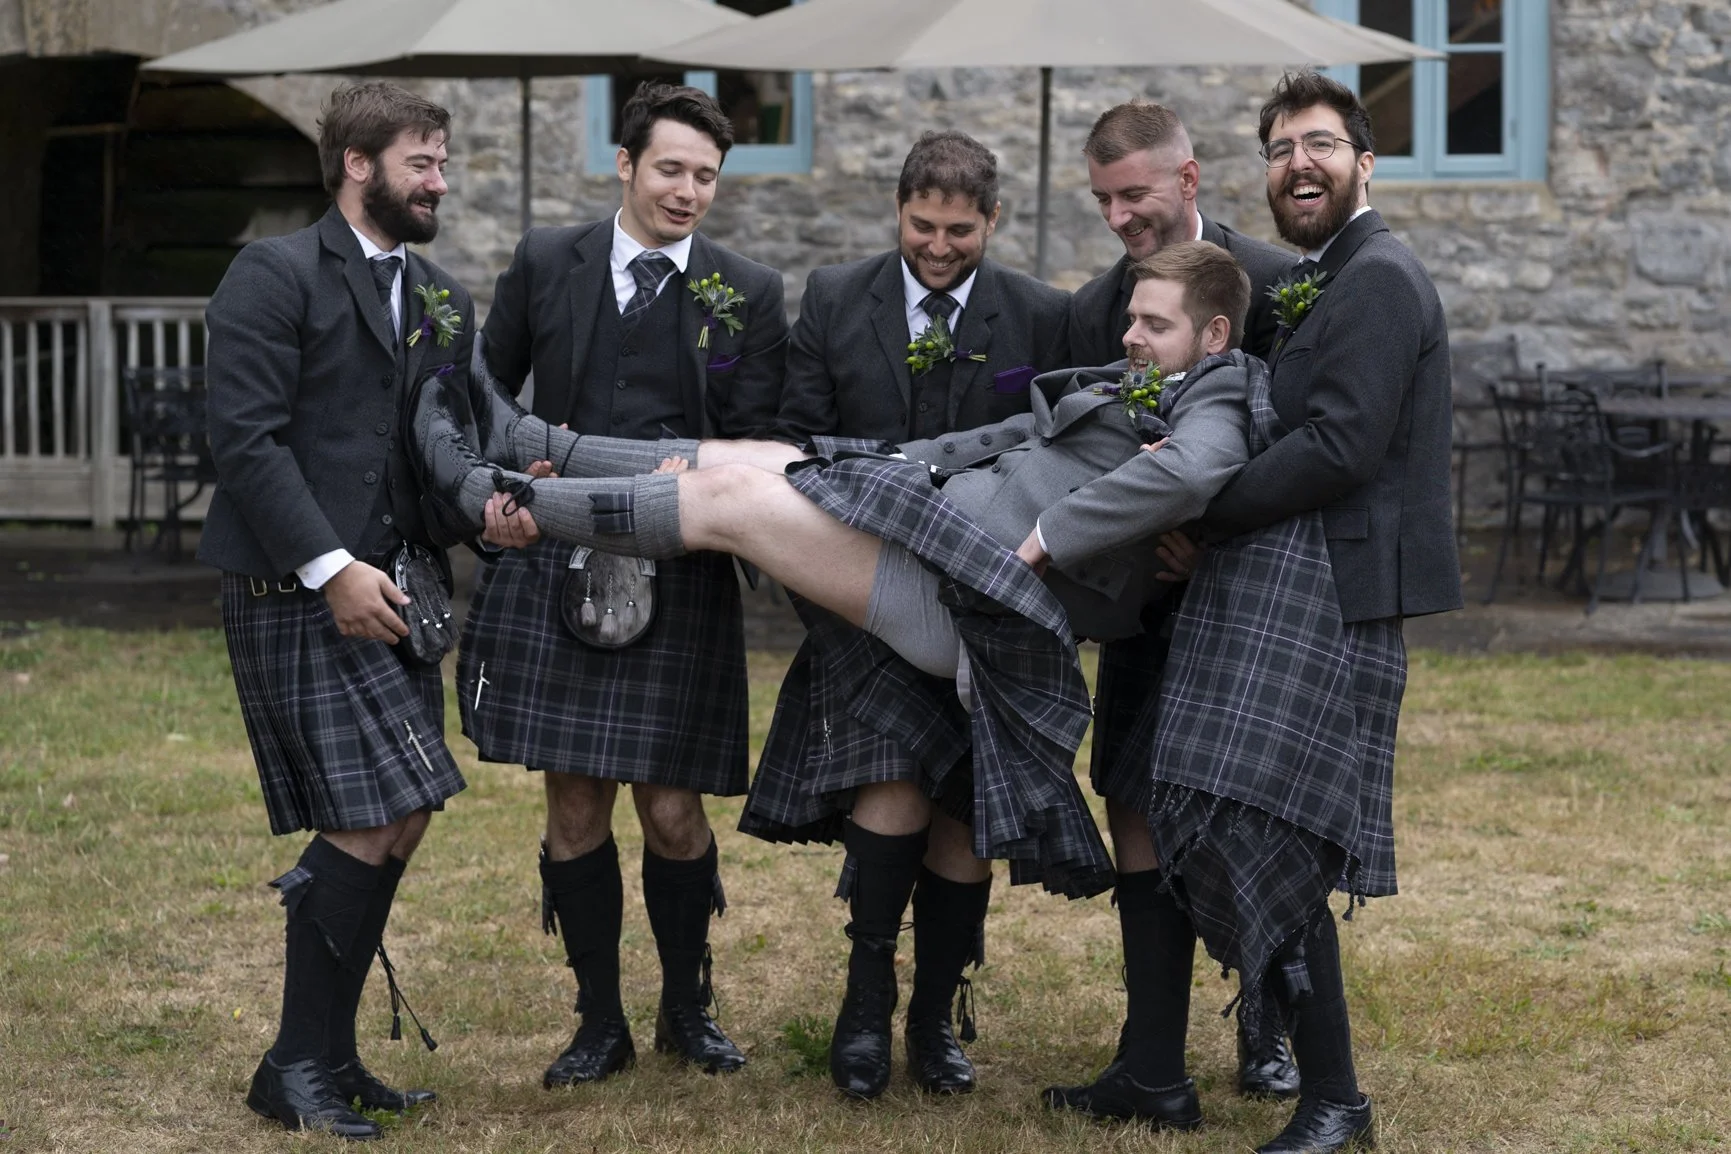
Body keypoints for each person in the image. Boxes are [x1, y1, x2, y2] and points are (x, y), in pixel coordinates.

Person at [1099, 72, 1460, 1154]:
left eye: (1319, 144)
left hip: (1338, 597)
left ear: (1364, 160)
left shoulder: (1382, 277)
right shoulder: (1322, 278)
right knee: (1235, 810)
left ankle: (1335, 1096)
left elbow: (1342, 445)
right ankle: (1196, 1064)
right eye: (1279, 148)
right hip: (1291, 590)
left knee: (1281, 827)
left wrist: (1201, 512)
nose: (1298, 164)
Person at [456, 81, 789, 1087]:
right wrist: (508, 474)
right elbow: (481, 391)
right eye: (671, 170)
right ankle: (598, 1017)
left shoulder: (749, 289)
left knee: (676, 811)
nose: (689, 192)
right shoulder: (546, 260)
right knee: (572, 807)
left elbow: (761, 435)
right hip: (561, 557)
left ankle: (688, 1004)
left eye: (706, 177)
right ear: (625, 165)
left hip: (681, 564)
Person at [767, 130, 1073, 1099]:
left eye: (959, 230)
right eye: (922, 225)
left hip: (983, 608)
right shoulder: (832, 297)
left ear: (992, 220)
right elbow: (797, 444)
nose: (938, 246)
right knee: (891, 784)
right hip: (860, 597)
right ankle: (864, 1002)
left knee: (964, 818)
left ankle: (934, 1017)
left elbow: (1052, 452)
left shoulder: (1040, 314)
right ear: (897, 210)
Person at [199, 81, 477, 1140]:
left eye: (442, 161)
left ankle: (330, 1051)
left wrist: (490, 506)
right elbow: (247, 441)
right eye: (421, 160)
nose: (438, 179)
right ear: (357, 163)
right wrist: (331, 566)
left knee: (400, 813)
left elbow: (438, 440)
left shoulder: (439, 290)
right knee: (366, 816)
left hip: (397, 583)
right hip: (298, 585)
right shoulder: (273, 274)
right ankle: (294, 1064)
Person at [1051, 101, 1305, 1113]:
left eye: (1136, 194)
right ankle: (1152, 1057)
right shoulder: (1091, 311)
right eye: (1104, 198)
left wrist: (1217, 534)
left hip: (1246, 592)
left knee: (1249, 813)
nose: (1119, 216)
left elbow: (1307, 445)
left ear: (1189, 180)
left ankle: (1269, 1026)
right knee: (1135, 802)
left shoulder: (1278, 289)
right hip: (1141, 609)